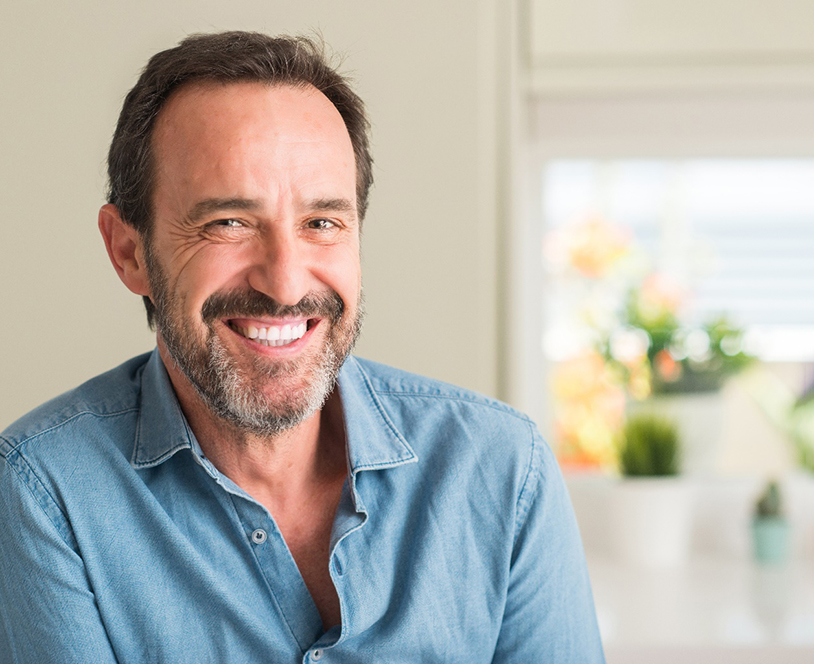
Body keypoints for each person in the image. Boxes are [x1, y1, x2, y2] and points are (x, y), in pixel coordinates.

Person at [0, 31, 604, 663]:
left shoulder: (505, 472)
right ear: (130, 252)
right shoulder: (46, 494)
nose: (285, 282)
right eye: (228, 223)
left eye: (322, 223)